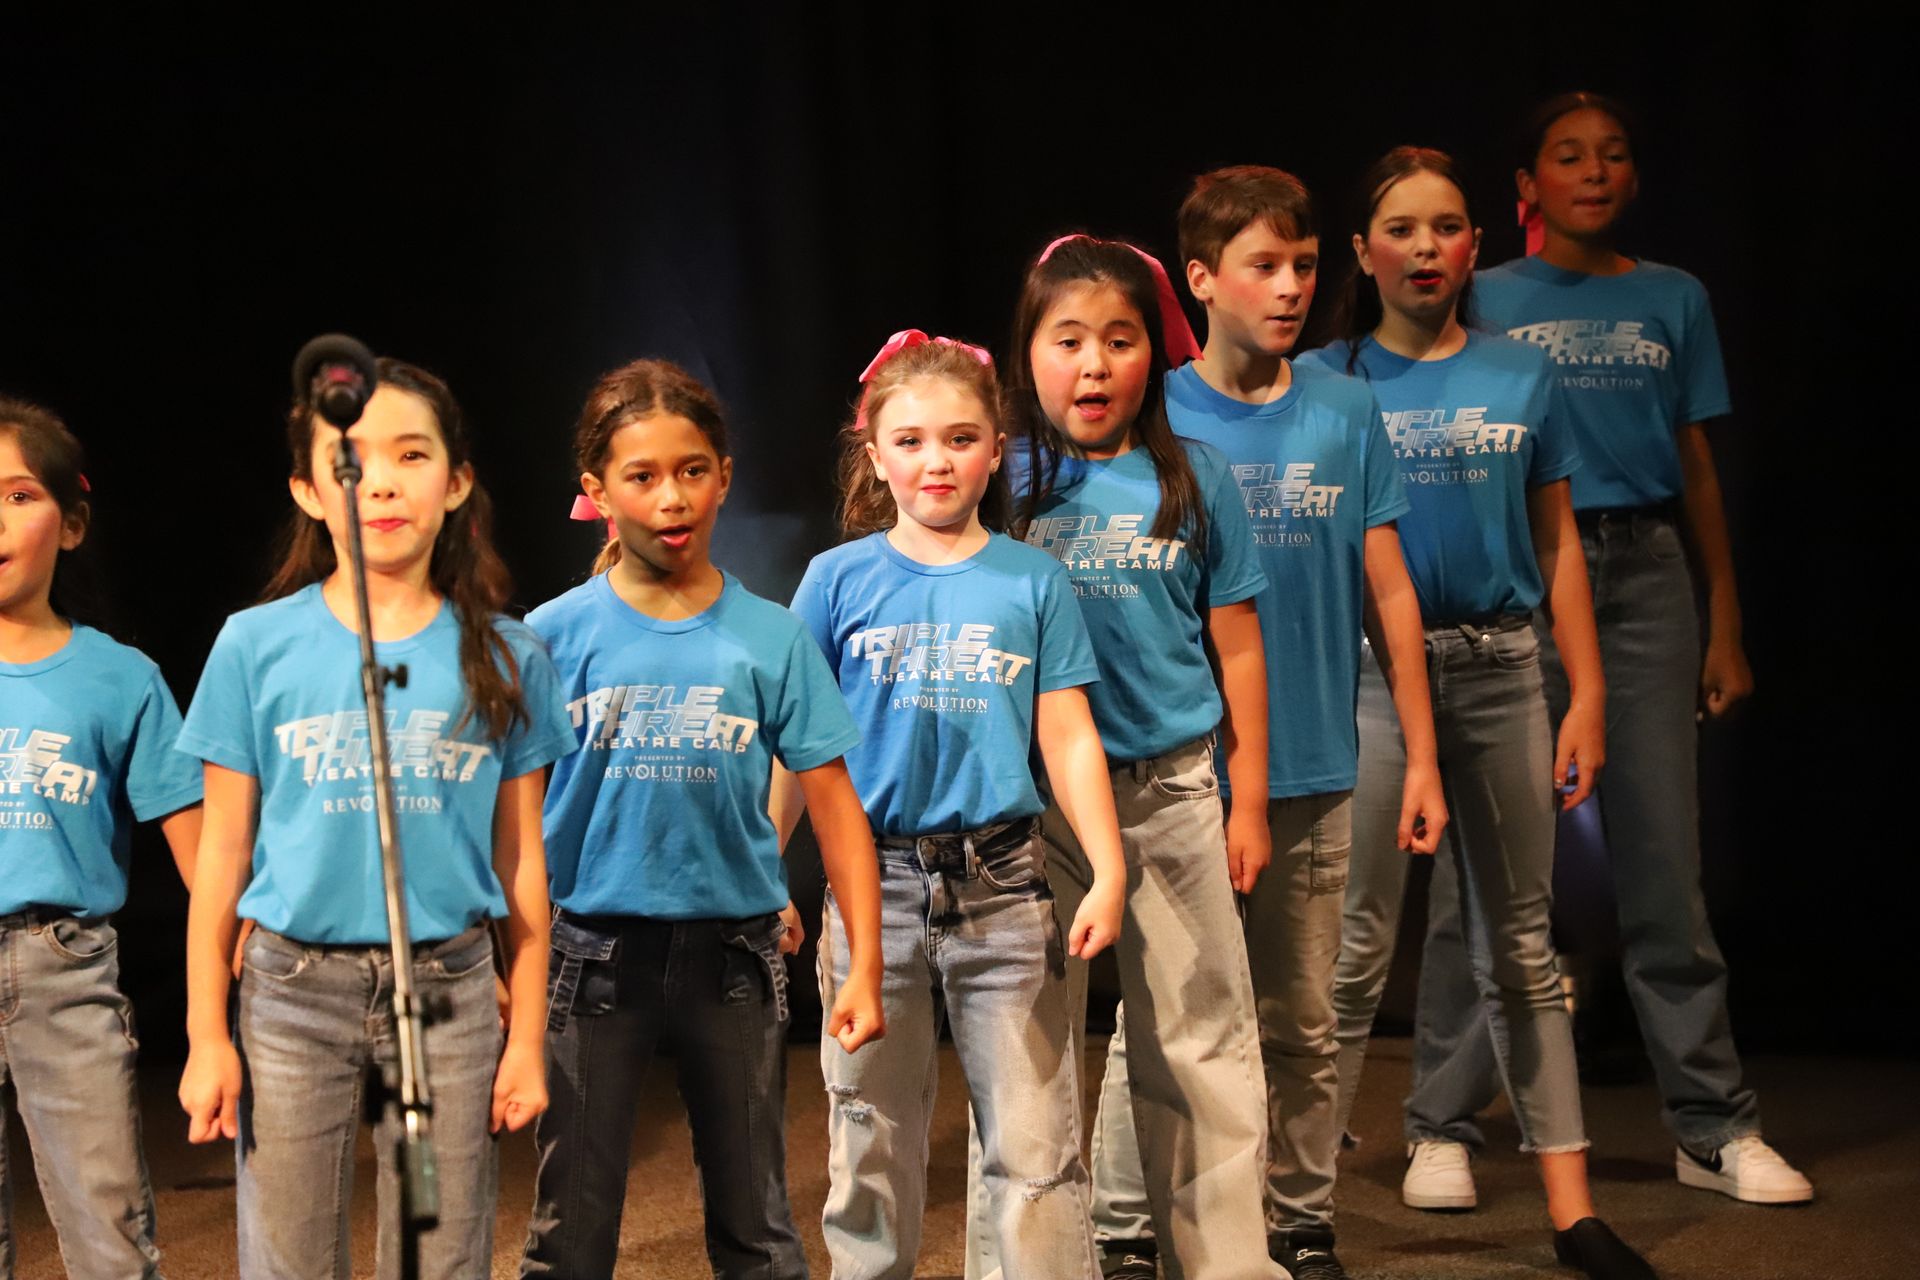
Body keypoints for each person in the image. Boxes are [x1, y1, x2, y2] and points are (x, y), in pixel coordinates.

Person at [1422, 92, 1810, 1209]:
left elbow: (1693, 466)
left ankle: (1713, 1122)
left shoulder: (1672, 297)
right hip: (1515, 581)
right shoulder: (1483, 295)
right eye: (1567, 155)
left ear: (1635, 176)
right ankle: (1442, 1120)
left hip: (1642, 577)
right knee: (1487, 871)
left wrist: (1722, 617)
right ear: (1525, 187)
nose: (1593, 171)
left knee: (1661, 870)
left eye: (1615, 154)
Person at [1088, 166, 1445, 1280]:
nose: (1291, 287)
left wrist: (1422, 752)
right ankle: (1127, 1222)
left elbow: (1389, 586)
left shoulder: (1344, 407)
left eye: (1302, 265)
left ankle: (1300, 1215)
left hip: (1314, 760)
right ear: (1200, 279)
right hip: (1180, 772)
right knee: (1157, 1013)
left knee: (1302, 1014)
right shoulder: (1158, 417)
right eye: (1264, 265)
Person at [1306, 144, 1656, 1279]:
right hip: (1369, 682)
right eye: (1400, 228)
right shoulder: (1331, 381)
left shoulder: (1521, 373)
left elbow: (1557, 541)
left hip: (1504, 670)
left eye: (1447, 227)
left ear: (1474, 245)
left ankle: (1573, 1211)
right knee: (1352, 950)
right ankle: (1294, 1206)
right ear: (1362, 251)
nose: (1425, 248)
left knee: (1519, 941)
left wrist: (1586, 689)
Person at [176, 360, 576, 1279]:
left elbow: (522, 863)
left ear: (459, 480)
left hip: (449, 990)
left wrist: (524, 1042)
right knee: (289, 1255)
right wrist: (207, 1036)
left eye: (412, 454)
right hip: (288, 990)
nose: (384, 482)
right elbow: (223, 856)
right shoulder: (254, 644)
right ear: (309, 491)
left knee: (438, 1250)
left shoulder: (509, 654)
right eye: (351, 462)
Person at [519, 358, 883, 1278]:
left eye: (690, 470)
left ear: (724, 473)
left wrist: (866, 966)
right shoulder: (552, 636)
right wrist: (504, 956)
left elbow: (836, 808)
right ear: (597, 493)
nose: (670, 498)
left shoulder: (770, 636)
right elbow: (508, 820)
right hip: (589, 959)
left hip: (734, 957)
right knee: (572, 1231)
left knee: (757, 1224)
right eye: (640, 477)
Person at [789, 331, 1125, 1279]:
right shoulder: (836, 581)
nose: (935, 461)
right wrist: (758, 872)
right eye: (910, 441)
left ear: (995, 448)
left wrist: (1108, 865)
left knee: (1033, 1150)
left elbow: (1065, 735)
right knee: (869, 1138)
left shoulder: (1033, 580)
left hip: (1006, 889)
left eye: (960, 438)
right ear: (875, 454)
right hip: (874, 888)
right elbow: (800, 754)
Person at [980, 232, 1283, 1280]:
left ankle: (1228, 1261)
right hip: (1032, 811)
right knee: (1028, 1058)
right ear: (1026, 354)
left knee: (1200, 1042)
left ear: (1155, 354)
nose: (1095, 364)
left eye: (1120, 339)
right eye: (1069, 340)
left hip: (1170, 791)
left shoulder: (1189, 478)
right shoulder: (995, 483)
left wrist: (1249, 799)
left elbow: (1236, 643)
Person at [0, 396, 202, 1279]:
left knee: (109, 1236)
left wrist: (234, 1017)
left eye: (16, 495)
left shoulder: (122, 677)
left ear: (71, 524)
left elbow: (209, 864)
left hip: (64, 968)